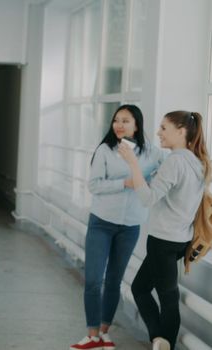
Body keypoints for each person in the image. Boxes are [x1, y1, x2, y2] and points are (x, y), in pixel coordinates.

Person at [70, 105, 164, 350]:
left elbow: (170, 168)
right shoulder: (105, 150)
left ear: (137, 125)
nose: (119, 125)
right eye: (116, 120)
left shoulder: (152, 153)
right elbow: (94, 185)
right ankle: (91, 336)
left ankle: (104, 332)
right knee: (93, 279)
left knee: (114, 281)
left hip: (131, 225)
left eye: (125, 120)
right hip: (101, 222)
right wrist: (126, 183)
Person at [118, 111, 209, 350]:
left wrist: (133, 164)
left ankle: (162, 341)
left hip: (163, 241)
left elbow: (147, 199)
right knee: (142, 288)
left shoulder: (176, 161)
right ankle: (160, 339)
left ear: (181, 132)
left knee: (168, 298)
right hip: (181, 241)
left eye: (164, 128)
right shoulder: (197, 161)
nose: (158, 132)